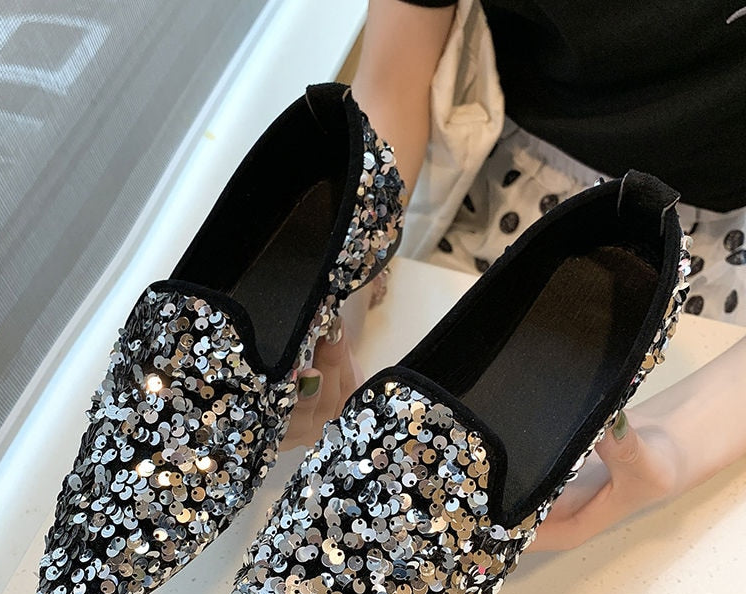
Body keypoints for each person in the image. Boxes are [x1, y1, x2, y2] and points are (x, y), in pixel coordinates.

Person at [281, 0, 746, 551]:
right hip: (504, 191)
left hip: (721, 261)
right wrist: (340, 279)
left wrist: (680, 439)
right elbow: (394, 77)